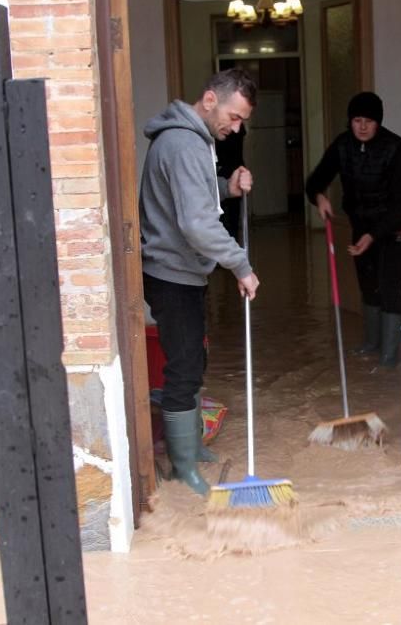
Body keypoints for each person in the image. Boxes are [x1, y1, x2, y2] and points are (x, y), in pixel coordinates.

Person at [139, 68, 259, 495]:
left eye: (242, 120)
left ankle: (190, 451)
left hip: (184, 270)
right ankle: (181, 466)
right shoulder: (184, 142)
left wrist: (226, 187)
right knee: (184, 365)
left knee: (194, 360)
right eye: (234, 115)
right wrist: (240, 265)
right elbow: (195, 223)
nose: (236, 126)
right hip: (172, 272)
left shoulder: (193, 139)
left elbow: (192, 199)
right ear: (210, 100)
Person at [305, 91, 401, 368]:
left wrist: (372, 235)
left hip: (397, 229)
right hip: (363, 226)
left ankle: (390, 357)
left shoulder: (396, 149)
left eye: (369, 120)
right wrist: (318, 196)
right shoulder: (343, 146)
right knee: (369, 287)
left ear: (378, 122)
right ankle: (371, 344)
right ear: (350, 122)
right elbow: (315, 180)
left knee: (389, 287)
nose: (363, 126)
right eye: (357, 120)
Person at [216, 124, 247, 241]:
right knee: (232, 213)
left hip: (226, 169)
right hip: (234, 167)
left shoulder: (222, 128)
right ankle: (231, 239)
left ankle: (228, 239)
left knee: (225, 213)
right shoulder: (237, 127)